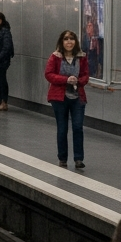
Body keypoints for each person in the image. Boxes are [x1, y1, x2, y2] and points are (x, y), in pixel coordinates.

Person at [45, 30, 89, 170]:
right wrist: (66, 80)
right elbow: (49, 74)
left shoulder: (82, 57)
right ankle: (62, 158)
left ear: (75, 41)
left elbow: (86, 76)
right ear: (61, 42)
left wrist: (78, 80)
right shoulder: (55, 57)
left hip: (77, 97)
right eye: (66, 39)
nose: (69, 42)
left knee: (78, 127)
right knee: (62, 128)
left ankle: (78, 159)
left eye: (71, 39)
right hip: (59, 97)